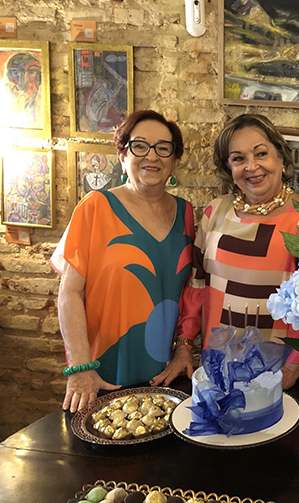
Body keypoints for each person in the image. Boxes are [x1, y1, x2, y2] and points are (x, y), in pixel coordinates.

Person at [52, 110, 195, 412]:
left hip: (163, 377)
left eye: (163, 148)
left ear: (175, 161)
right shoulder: (95, 208)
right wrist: (81, 368)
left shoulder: (187, 214)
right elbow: (69, 294)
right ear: (122, 154)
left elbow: (189, 292)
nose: (151, 156)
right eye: (139, 146)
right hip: (102, 374)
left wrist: (184, 349)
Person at [176, 114, 299, 390]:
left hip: (275, 375)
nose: (251, 166)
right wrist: (184, 344)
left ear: (281, 157)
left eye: (261, 153)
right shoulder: (214, 212)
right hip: (217, 369)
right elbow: (197, 285)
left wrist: (293, 367)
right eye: (238, 158)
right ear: (228, 167)